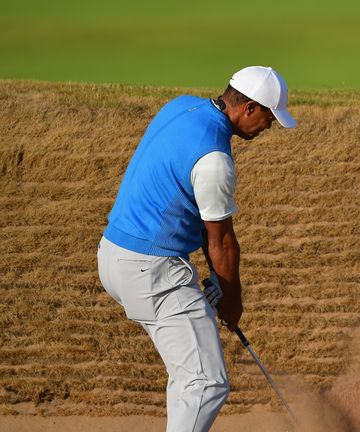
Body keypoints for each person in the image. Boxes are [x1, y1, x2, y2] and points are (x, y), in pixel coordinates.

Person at [97, 66, 296, 432]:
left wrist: (218, 284)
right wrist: (232, 300)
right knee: (206, 383)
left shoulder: (181, 107)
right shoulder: (215, 161)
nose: (268, 127)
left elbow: (202, 223)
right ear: (249, 108)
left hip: (113, 254)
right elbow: (221, 240)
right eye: (268, 117)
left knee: (190, 375)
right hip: (150, 270)